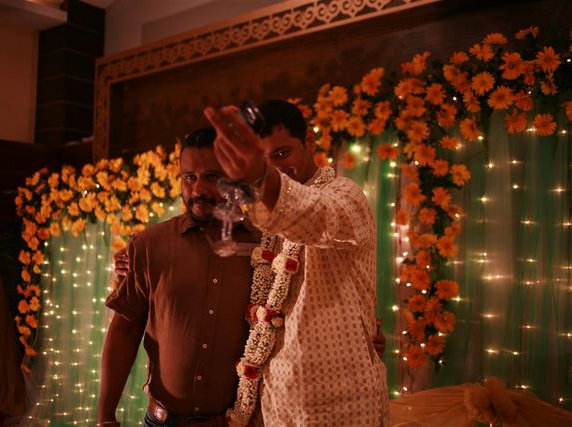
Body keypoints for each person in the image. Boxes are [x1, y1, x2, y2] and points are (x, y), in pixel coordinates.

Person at [98, 125, 386, 427]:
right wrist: (105, 419)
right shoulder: (150, 244)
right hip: (163, 421)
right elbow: (124, 331)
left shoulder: (268, 245)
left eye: (212, 177)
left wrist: (365, 336)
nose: (198, 190)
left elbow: (300, 306)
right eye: (189, 177)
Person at [204, 100, 389, 426]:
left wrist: (261, 177)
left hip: (342, 405)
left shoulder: (346, 196)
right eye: (263, 160)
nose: (276, 168)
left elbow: (318, 216)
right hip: (276, 403)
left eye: (282, 153)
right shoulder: (261, 218)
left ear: (310, 141)